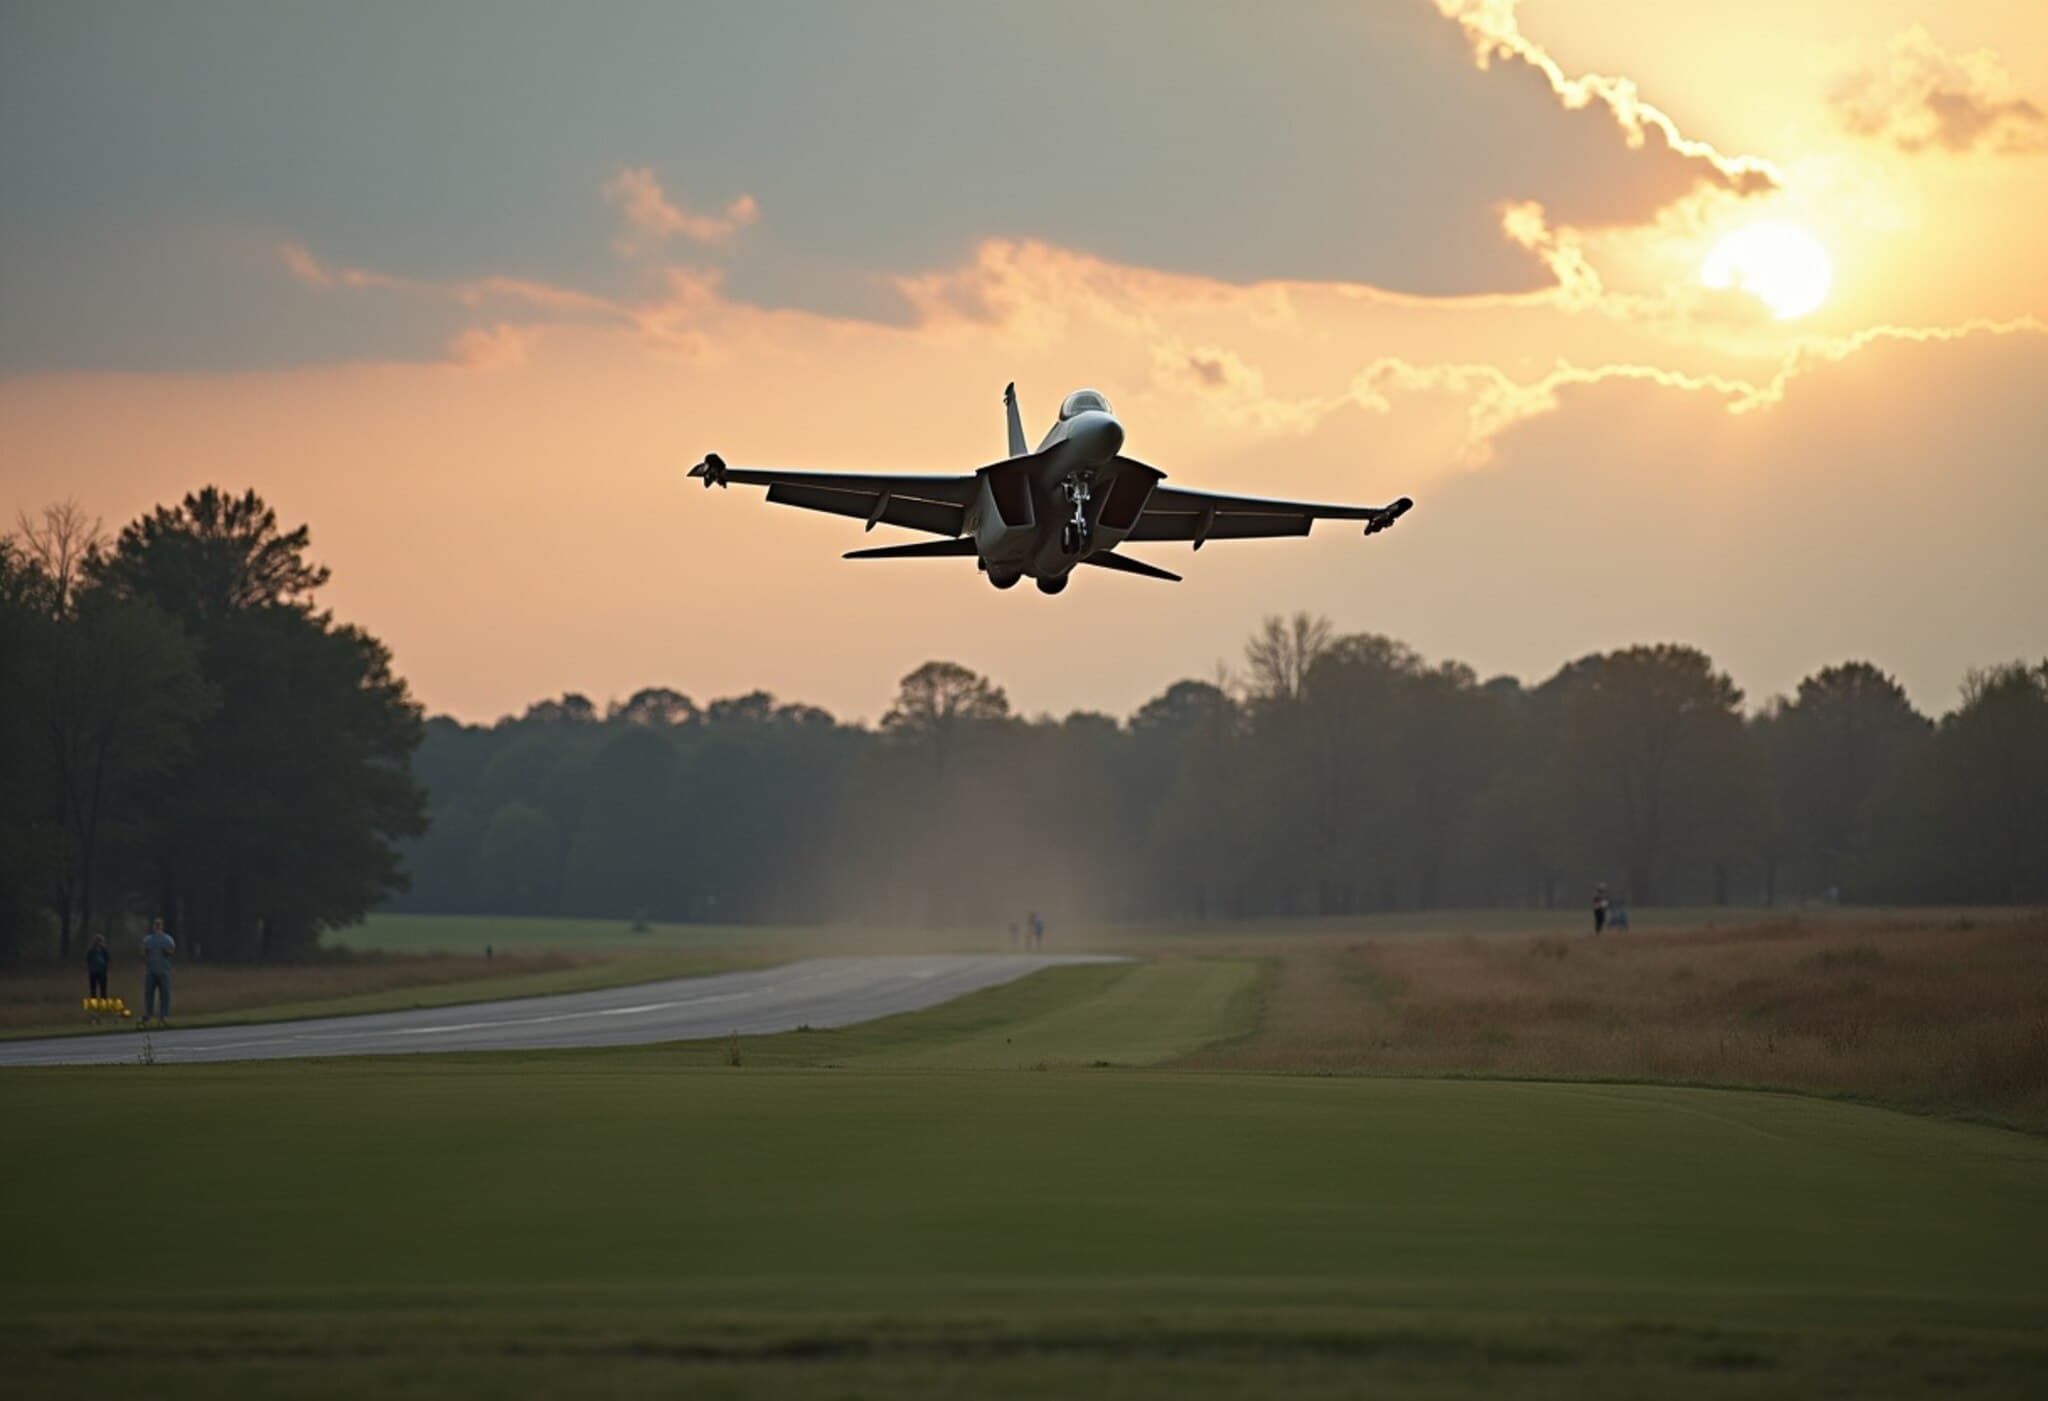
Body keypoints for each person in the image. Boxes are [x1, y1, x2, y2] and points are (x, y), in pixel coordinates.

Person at [140, 916, 176, 1026]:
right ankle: (148, 1015)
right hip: (151, 970)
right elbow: (143, 953)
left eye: (159, 925)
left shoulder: (168, 939)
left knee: (165, 994)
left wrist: (167, 952)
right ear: (153, 926)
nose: (157, 927)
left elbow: (172, 951)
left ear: (162, 926)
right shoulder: (148, 939)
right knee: (149, 994)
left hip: (164, 970)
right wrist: (145, 953)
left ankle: (164, 1016)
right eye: (156, 925)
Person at [86, 934, 111, 999]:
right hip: (94, 972)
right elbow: (88, 960)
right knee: (93, 989)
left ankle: (103, 1001)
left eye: (101, 941)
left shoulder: (104, 950)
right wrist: (90, 967)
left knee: (103, 989)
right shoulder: (91, 950)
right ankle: (94, 1002)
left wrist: (106, 966)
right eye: (98, 941)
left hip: (102, 972)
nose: (100, 943)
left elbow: (108, 959)